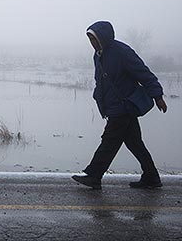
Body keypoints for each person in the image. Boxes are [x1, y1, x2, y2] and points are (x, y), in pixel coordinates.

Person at [72, 21, 168, 190]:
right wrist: (99, 98)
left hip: (124, 106)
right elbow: (101, 82)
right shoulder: (98, 55)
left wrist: (157, 95)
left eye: (94, 39)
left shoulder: (122, 52)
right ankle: (151, 177)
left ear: (104, 37)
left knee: (109, 141)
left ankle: (94, 175)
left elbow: (144, 73)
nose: (92, 43)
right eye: (90, 40)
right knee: (134, 143)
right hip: (114, 106)